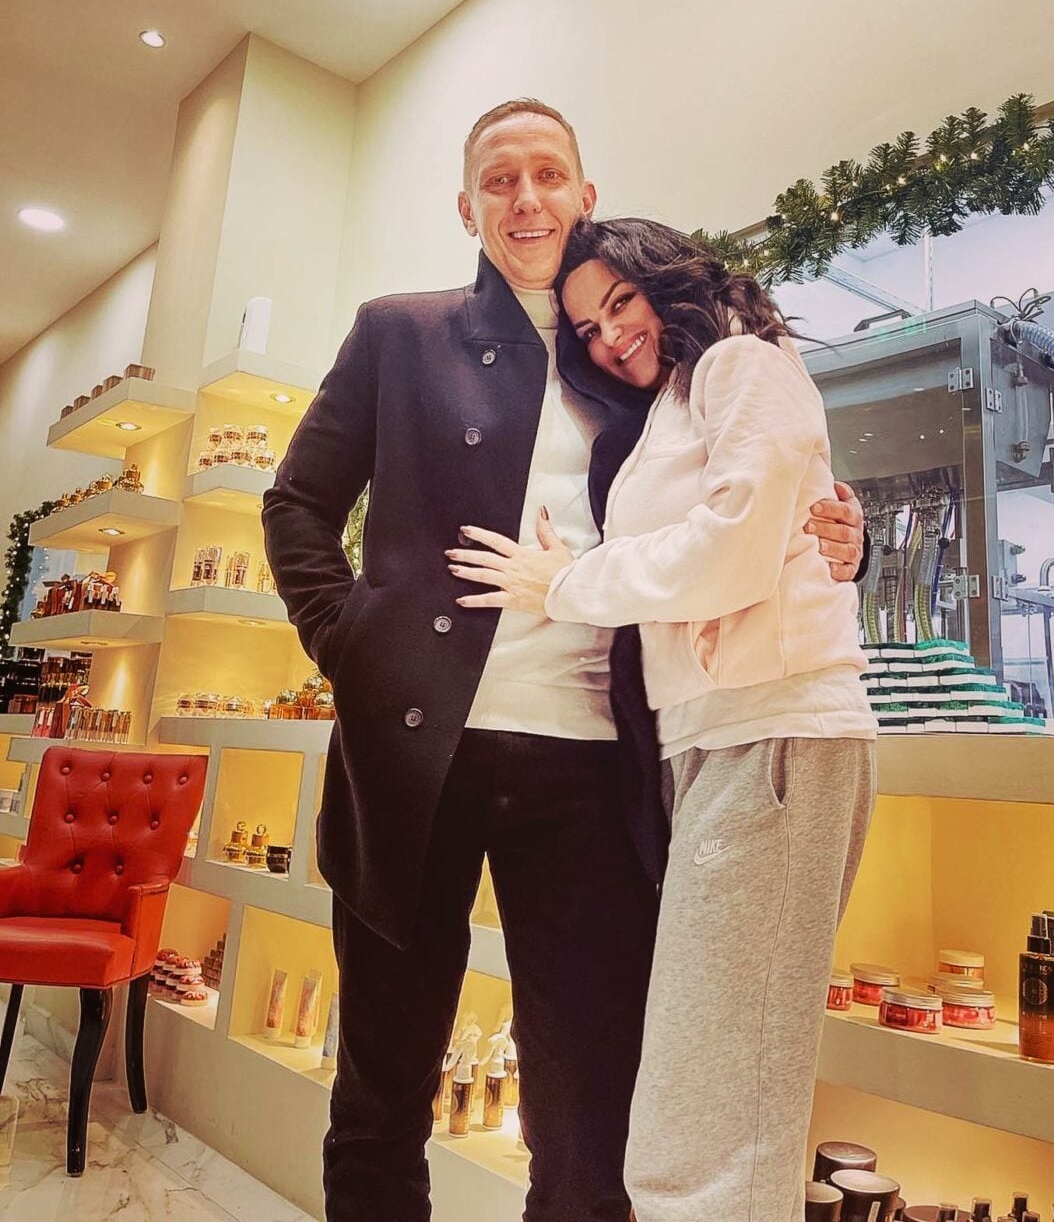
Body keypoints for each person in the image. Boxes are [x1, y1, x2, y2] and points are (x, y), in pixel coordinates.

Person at [262, 102, 866, 1222]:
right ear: (467, 208)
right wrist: (349, 642)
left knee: (589, 1114)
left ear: (585, 196)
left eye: (548, 175)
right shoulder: (399, 332)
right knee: (382, 1084)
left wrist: (839, 527)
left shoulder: (639, 358)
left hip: (592, 757)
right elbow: (296, 503)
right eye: (499, 180)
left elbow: (741, 482)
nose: (525, 198)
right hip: (415, 753)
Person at [448, 216, 877, 1222]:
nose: (609, 336)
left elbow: (736, 546)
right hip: (706, 743)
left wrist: (565, 583)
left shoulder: (741, 363)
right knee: (702, 1088)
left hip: (772, 730)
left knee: (713, 1107)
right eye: (588, 327)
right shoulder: (669, 409)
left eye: (621, 303)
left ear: (668, 280)